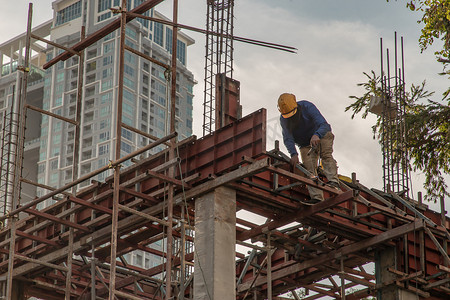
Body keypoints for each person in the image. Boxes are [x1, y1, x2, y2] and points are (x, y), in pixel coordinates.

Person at [278, 93, 340, 202]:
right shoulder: (284, 119)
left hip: (322, 135)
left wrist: (317, 135)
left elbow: (324, 125)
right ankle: (317, 198)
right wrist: (293, 154)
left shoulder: (307, 106)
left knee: (325, 156)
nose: (290, 117)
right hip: (304, 144)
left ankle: (334, 182)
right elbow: (288, 138)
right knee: (309, 168)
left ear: (296, 107)